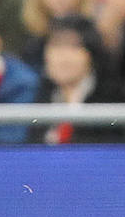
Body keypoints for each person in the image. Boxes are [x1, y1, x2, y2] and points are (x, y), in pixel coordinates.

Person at [31, 16, 120, 144]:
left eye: (74, 46)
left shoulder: (111, 100)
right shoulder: (39, 96)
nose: (63, 56)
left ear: (91, 54)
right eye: (56, 45)